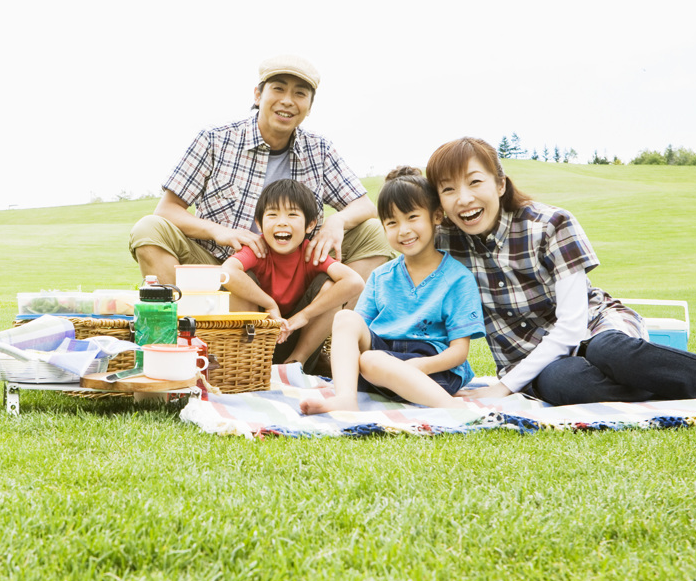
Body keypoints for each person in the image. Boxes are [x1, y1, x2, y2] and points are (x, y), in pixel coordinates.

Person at [425, 136, 696, 411]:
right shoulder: (446, 243)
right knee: (572, 386)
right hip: (531, 362)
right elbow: (404, 227)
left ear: (499, 183)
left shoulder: (550, 224)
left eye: (474, 182)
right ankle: (683, 391)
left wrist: (503, 388)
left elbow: (573, 325)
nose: (463, 199)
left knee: (611, 351)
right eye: (448, 189)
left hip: (593, 327)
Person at [129, 55, 395, 288]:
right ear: (258, 95)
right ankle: (186, 332)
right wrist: (219, 232)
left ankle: (337, 331)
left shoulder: (319, 149)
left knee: (374, 231)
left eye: (300, 94)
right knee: (149, 229)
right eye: (278, 89)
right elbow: (166, 211)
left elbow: (364, 206)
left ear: (310, 106)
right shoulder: (214, 140)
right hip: (222, 270)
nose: (288, 101)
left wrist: (336, 222)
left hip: (295, 275)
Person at [300, 167, 486, 414]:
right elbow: (359, 332)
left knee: (371, 360)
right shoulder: (381, 276)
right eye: (392, 222)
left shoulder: (457, 278)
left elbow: (459, 352)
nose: (403, 230)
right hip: (379, 364)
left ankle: (452, 407)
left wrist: (419, 366)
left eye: (412, 217)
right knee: (346, 318)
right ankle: (345, 397)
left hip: (433, 369)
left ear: (436, 216)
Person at [223, 179, 364, 369]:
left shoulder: (310, 253)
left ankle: (295, 365)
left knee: (331, 286)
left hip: (298, 336)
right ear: (259, 223)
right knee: (239, 280)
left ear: (310, 225)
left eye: (292, 215)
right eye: (272, 215)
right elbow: (227, 272)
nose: (282, 222)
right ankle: (250, 365)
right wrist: (269, 304)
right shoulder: (257, 250)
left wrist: (305, 315)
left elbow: (354, 282)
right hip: (256, 339)